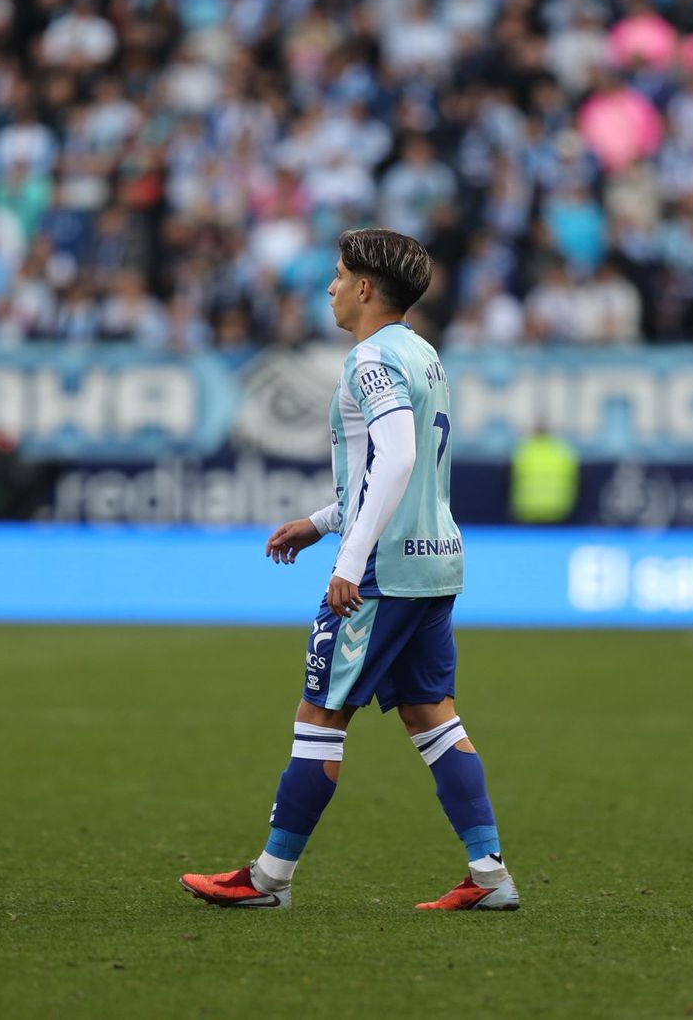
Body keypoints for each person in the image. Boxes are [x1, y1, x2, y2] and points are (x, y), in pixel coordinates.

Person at [179, 229, 517, 912]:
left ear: (366, 288)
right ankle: (489, 875)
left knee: (320, 714)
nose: (329, 287)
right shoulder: (423, 355)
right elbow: (398, 469)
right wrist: (320, 520)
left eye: (337, 276)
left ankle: (269, 878)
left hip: (383, 571)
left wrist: (351, 559)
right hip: (435, 560)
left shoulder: (368, 358)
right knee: (432, 716)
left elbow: (392, 460)